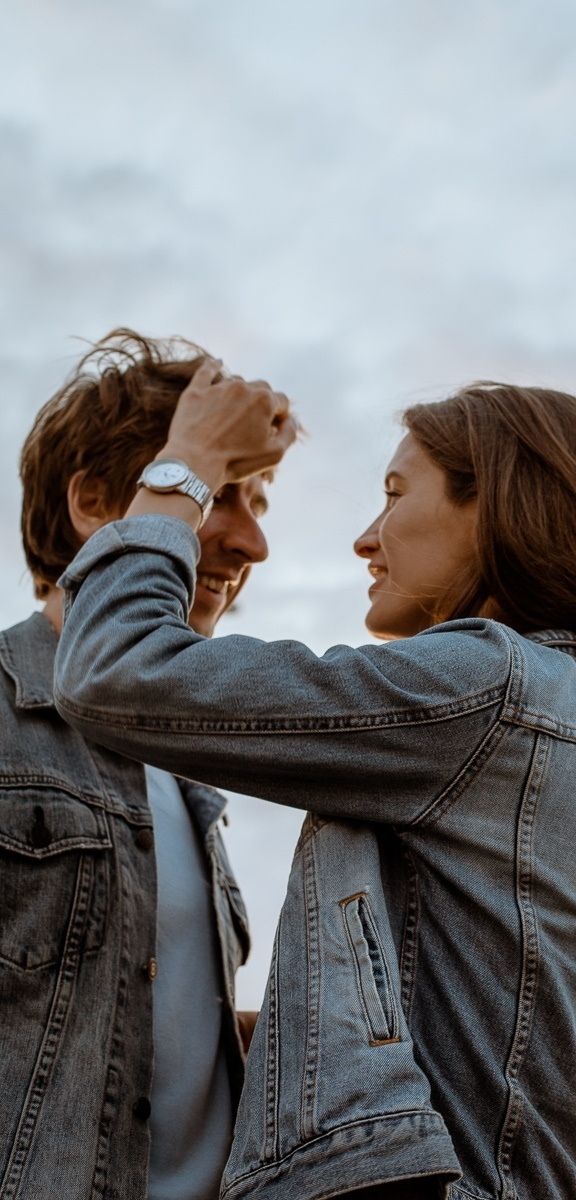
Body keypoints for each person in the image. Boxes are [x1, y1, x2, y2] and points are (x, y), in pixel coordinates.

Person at [54, 365, 576, 1200]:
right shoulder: (572, 731)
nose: (366, 538)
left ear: (491, 506)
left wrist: (186, 460)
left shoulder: (485, 689)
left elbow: (116, 670)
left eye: (395, 492)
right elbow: (469, 1048)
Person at [0, 331, 294, 1200]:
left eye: (261, 504)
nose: (250, 544)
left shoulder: (186, 770)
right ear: (96, 500)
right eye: (217, 489)